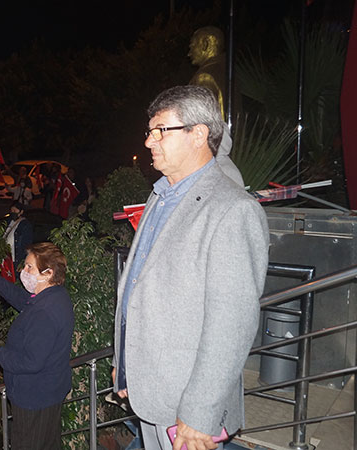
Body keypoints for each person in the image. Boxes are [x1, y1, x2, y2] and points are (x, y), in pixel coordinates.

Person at [112, 85, 269, 450]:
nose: (150, 141)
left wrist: (200, 413)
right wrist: (126, 365)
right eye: (149, 131)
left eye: (160, 131)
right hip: (149, 389)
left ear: (198, 134)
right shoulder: (160, 196)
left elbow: (231, 324)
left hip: (188, 405)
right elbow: (138, 287)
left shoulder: (232, 210)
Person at [0, 242, 74, 450]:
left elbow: (32, 361)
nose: (23, 271)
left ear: (47, 273)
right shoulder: (53, 295)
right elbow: (21, 298)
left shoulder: (44, 312)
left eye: (29, 267)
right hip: (48, 391)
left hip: (34, 397)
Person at [189, 26, 227, 119]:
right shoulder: (226, 71)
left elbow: (198, 119)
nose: (189, 53)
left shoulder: (204, 76)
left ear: (205, 44)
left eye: (193, 46)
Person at [2, 202, 34, 271]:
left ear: (21, 212)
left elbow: (26, 244)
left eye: (15, 210)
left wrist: (22, 262)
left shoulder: (25, 225)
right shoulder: (9, 222)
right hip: (6, 256)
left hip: (15, 258)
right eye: (12, 210)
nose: (13, 212)